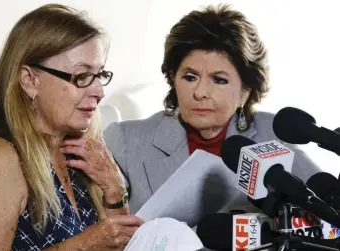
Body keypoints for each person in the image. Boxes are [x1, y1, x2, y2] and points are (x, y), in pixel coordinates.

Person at [0, 4, 143, 251]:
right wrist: (83, 246)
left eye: (100, 75)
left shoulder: (79, 150)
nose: (99, 91)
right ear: (29, 80)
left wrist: (115, 190)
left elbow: (121, 245)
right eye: (81, 77)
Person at [104, 4, 321, 218]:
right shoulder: (125, 142)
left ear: (245, 91)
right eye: (190, 77)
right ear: (173, 78)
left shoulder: (273, 136)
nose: (200, 92)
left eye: (219, 80)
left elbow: (326, 209)